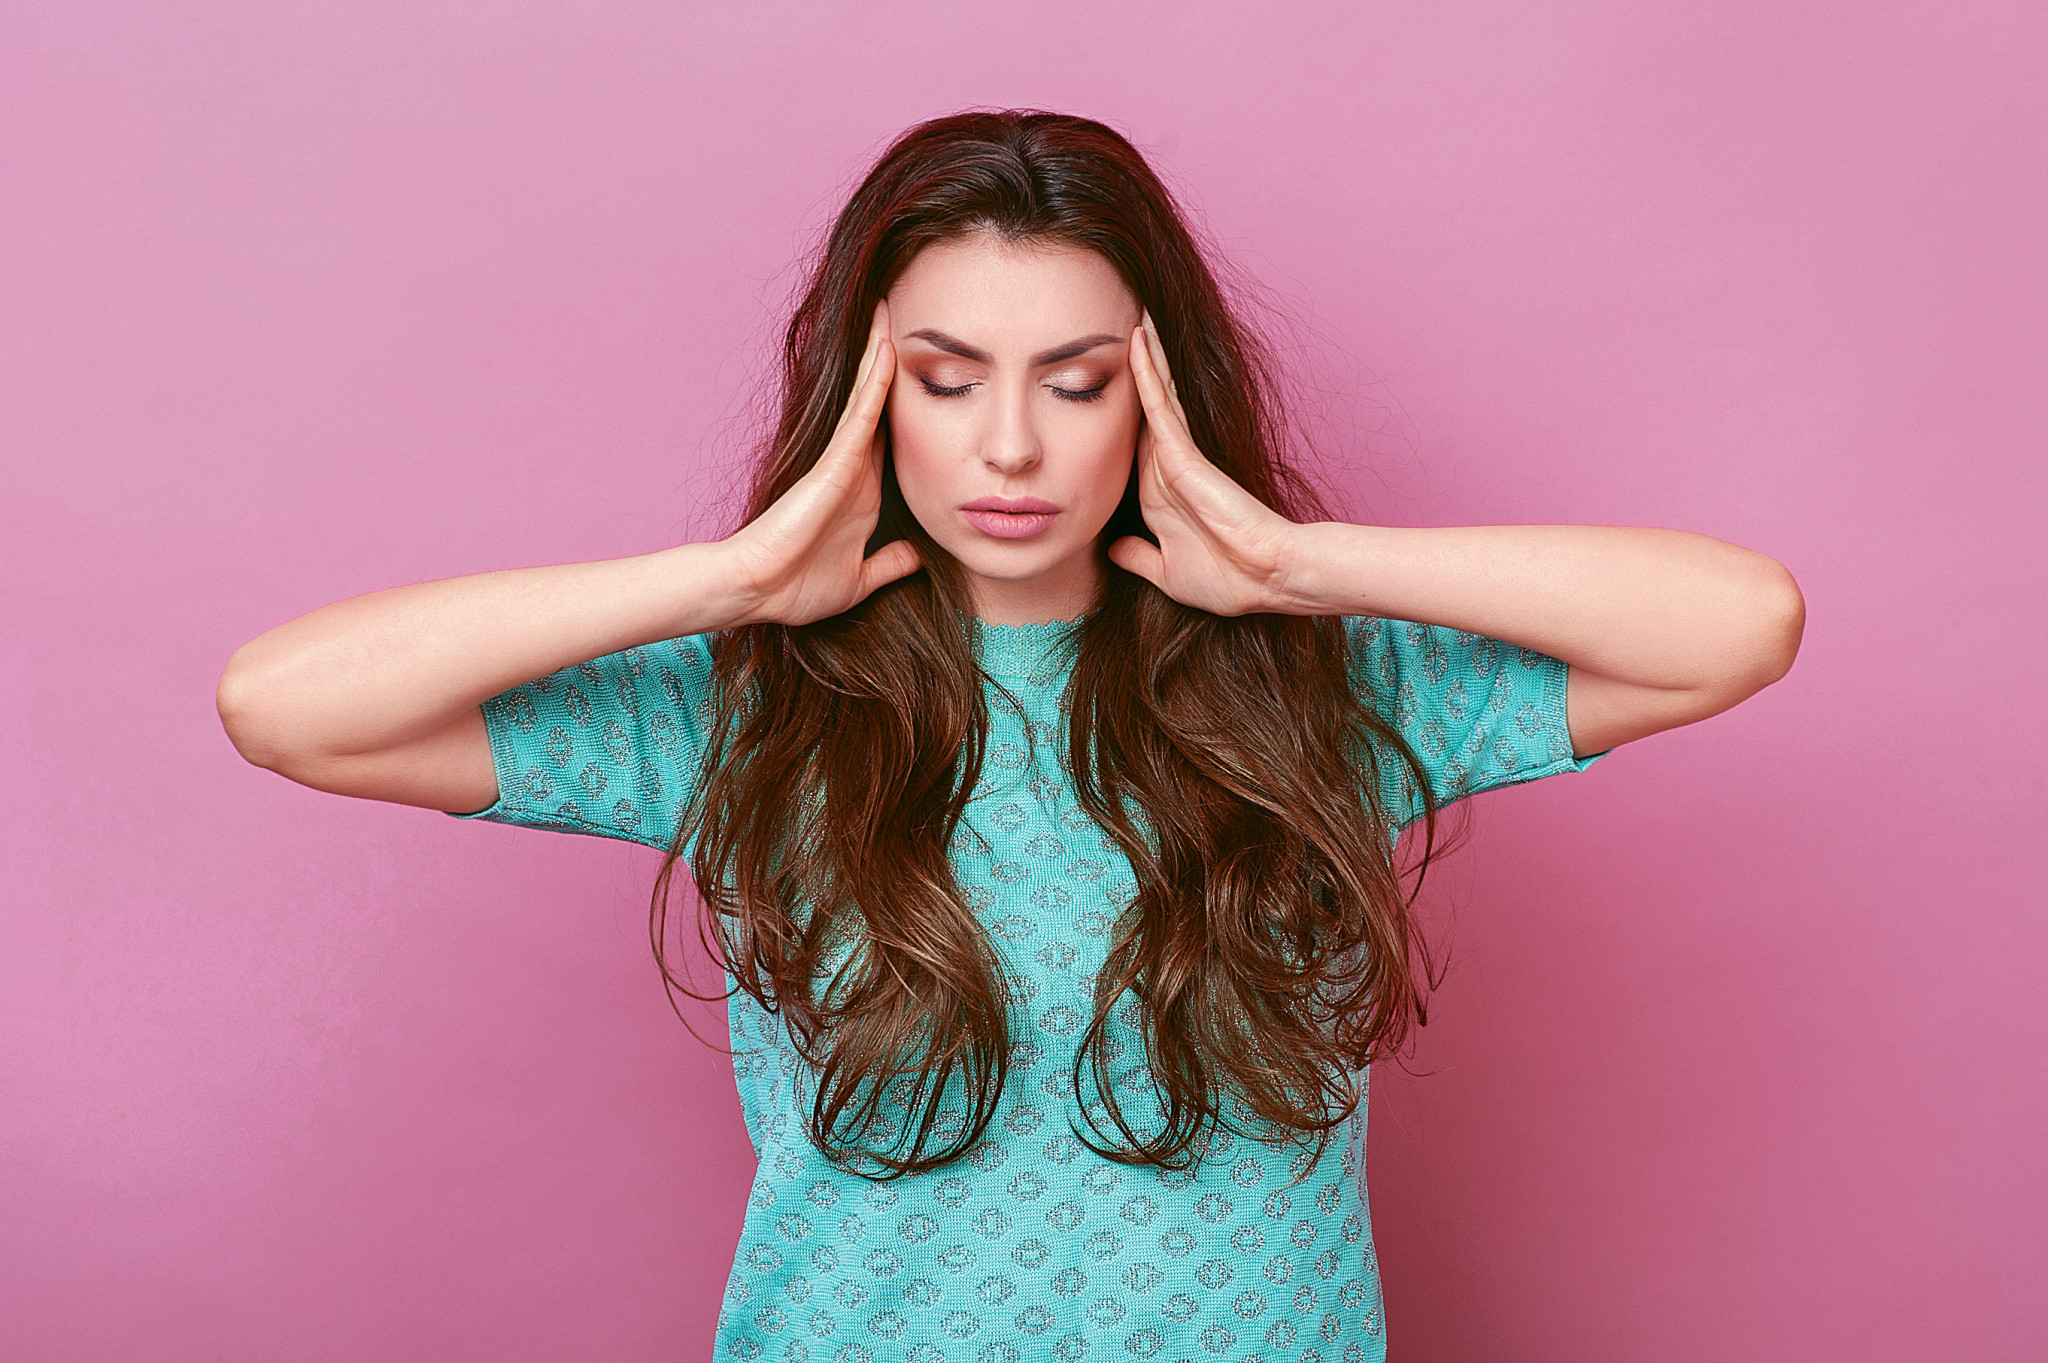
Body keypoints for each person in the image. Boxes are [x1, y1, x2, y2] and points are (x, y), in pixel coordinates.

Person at [216, 109, 1803, 1363]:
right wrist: (736, 579)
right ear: (868, 392)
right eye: (948, 379)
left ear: (1158, 394)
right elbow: (286, 706)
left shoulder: (1319, 692)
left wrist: (1295, 566)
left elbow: (1737, 622)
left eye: (1077, 381)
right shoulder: (749, 706)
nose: (1013, 446)